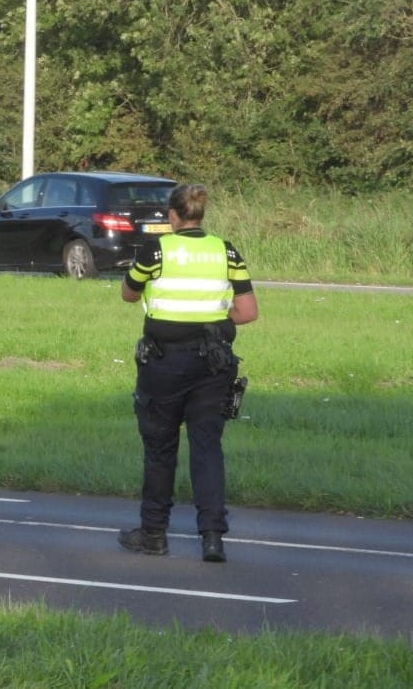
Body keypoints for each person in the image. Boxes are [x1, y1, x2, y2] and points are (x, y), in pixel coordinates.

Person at [117, 183, 257, 563]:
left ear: (173, 216)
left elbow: (129, 294)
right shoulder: (225, 250)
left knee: (161, 449)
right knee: (207, 448)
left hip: (164, 364)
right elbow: (247, 312)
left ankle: (153, 535)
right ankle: (212, 538)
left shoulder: (157, 249)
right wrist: (211, 319)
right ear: (201, 215)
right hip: (213, 364)